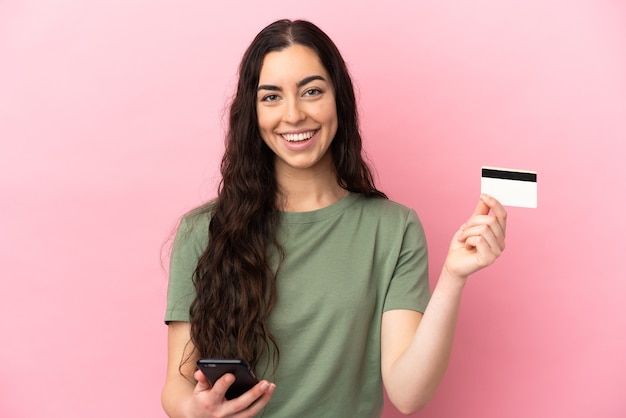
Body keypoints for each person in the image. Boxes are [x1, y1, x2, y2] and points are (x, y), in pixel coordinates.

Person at [161, 19, 507, 418]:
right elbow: (177, 382)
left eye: (311, 91)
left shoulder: (393, 229)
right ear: (252, 113)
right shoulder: (202, 231)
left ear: (338, 99)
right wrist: (194, 409)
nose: (293, 114)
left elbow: (409, 394)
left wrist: (453, 277)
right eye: (271, 97)